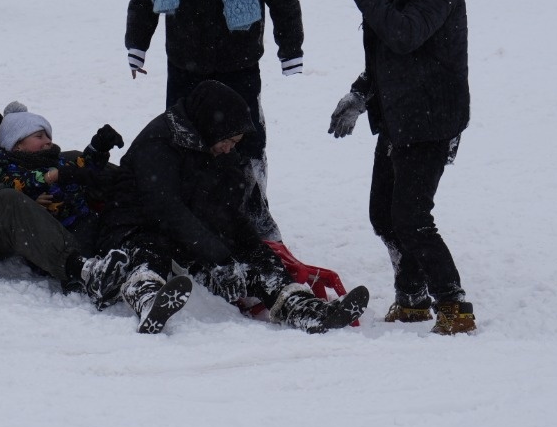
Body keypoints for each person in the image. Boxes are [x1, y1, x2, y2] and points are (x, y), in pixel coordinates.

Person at [0, 9, 193, 333]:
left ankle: (154, 214)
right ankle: (85, 271)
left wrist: (42, 162)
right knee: (11, 205)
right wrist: (23, 188)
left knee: (74, 163)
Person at [95, 81, 369, 333]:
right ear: (213, 127)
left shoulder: (215, 147)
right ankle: (147, 298)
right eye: (228, 140)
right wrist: (219, 257)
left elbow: (229, 211)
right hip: (136, 226)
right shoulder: (159, 142)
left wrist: (249, 251)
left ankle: (302, 306)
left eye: (235, 143)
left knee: (256, 256)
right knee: (148, 253)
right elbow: (165, 209)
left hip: (189, 232)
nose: (230, 148)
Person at [125, 0, 304, 240]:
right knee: (184, 138)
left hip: (237, 65)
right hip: (186, 65)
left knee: (244, 140)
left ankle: (252, 209)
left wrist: (290, 48)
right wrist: (137, 44)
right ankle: (189, 210)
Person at [327, 0, 475, 335]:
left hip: (431, 118)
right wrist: (361, 94)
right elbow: (386, 54)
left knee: (411, 216)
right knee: (384, 215)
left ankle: (453, 303)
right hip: (400, 115)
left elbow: (404, 35)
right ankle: (412, 297)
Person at [0, 101, 124, 251]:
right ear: (17, 144)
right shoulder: (8, 171)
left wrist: (98, 147)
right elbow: (15, 192)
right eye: (39, 136)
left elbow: (79, 168)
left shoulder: (54, 160)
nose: (48, 141)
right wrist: (34, 199)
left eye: (48, 136)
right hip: (54, 238)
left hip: (84, 219)